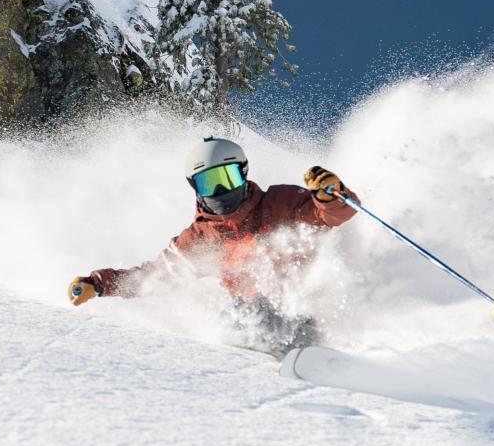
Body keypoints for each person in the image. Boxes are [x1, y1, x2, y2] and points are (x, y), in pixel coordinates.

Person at [66, 137, 359, 355]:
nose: (220, 191)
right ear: (195, 187)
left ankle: (317, 356)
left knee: (270, 315)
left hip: (304, 308)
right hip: (250, 318)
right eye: (209, 183)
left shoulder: (279, 203)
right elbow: (154, 277)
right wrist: (100, 283)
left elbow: (332, 215)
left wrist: (328, 196)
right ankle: (246, 367)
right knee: (238, 314)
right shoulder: (200, 238)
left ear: (243, 174)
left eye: (228, 178)